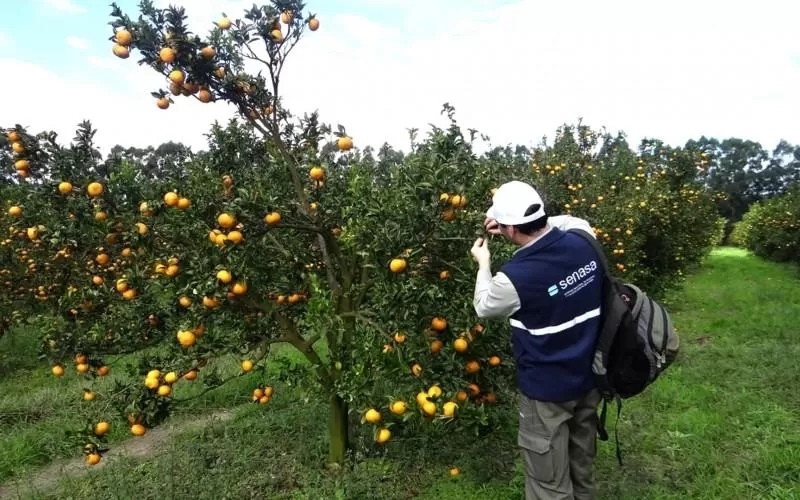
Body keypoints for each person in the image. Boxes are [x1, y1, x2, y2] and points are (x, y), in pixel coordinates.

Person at [469, 180, 604, 500]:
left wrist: (483, 263)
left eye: (504, 227)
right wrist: (511, 224)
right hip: (590, 376)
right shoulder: (584, 239)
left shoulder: (515, 278)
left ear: (512, 230)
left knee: (548, 484)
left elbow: (484, 306)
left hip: (547, 391)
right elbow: (565, 221)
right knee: (580, 467)